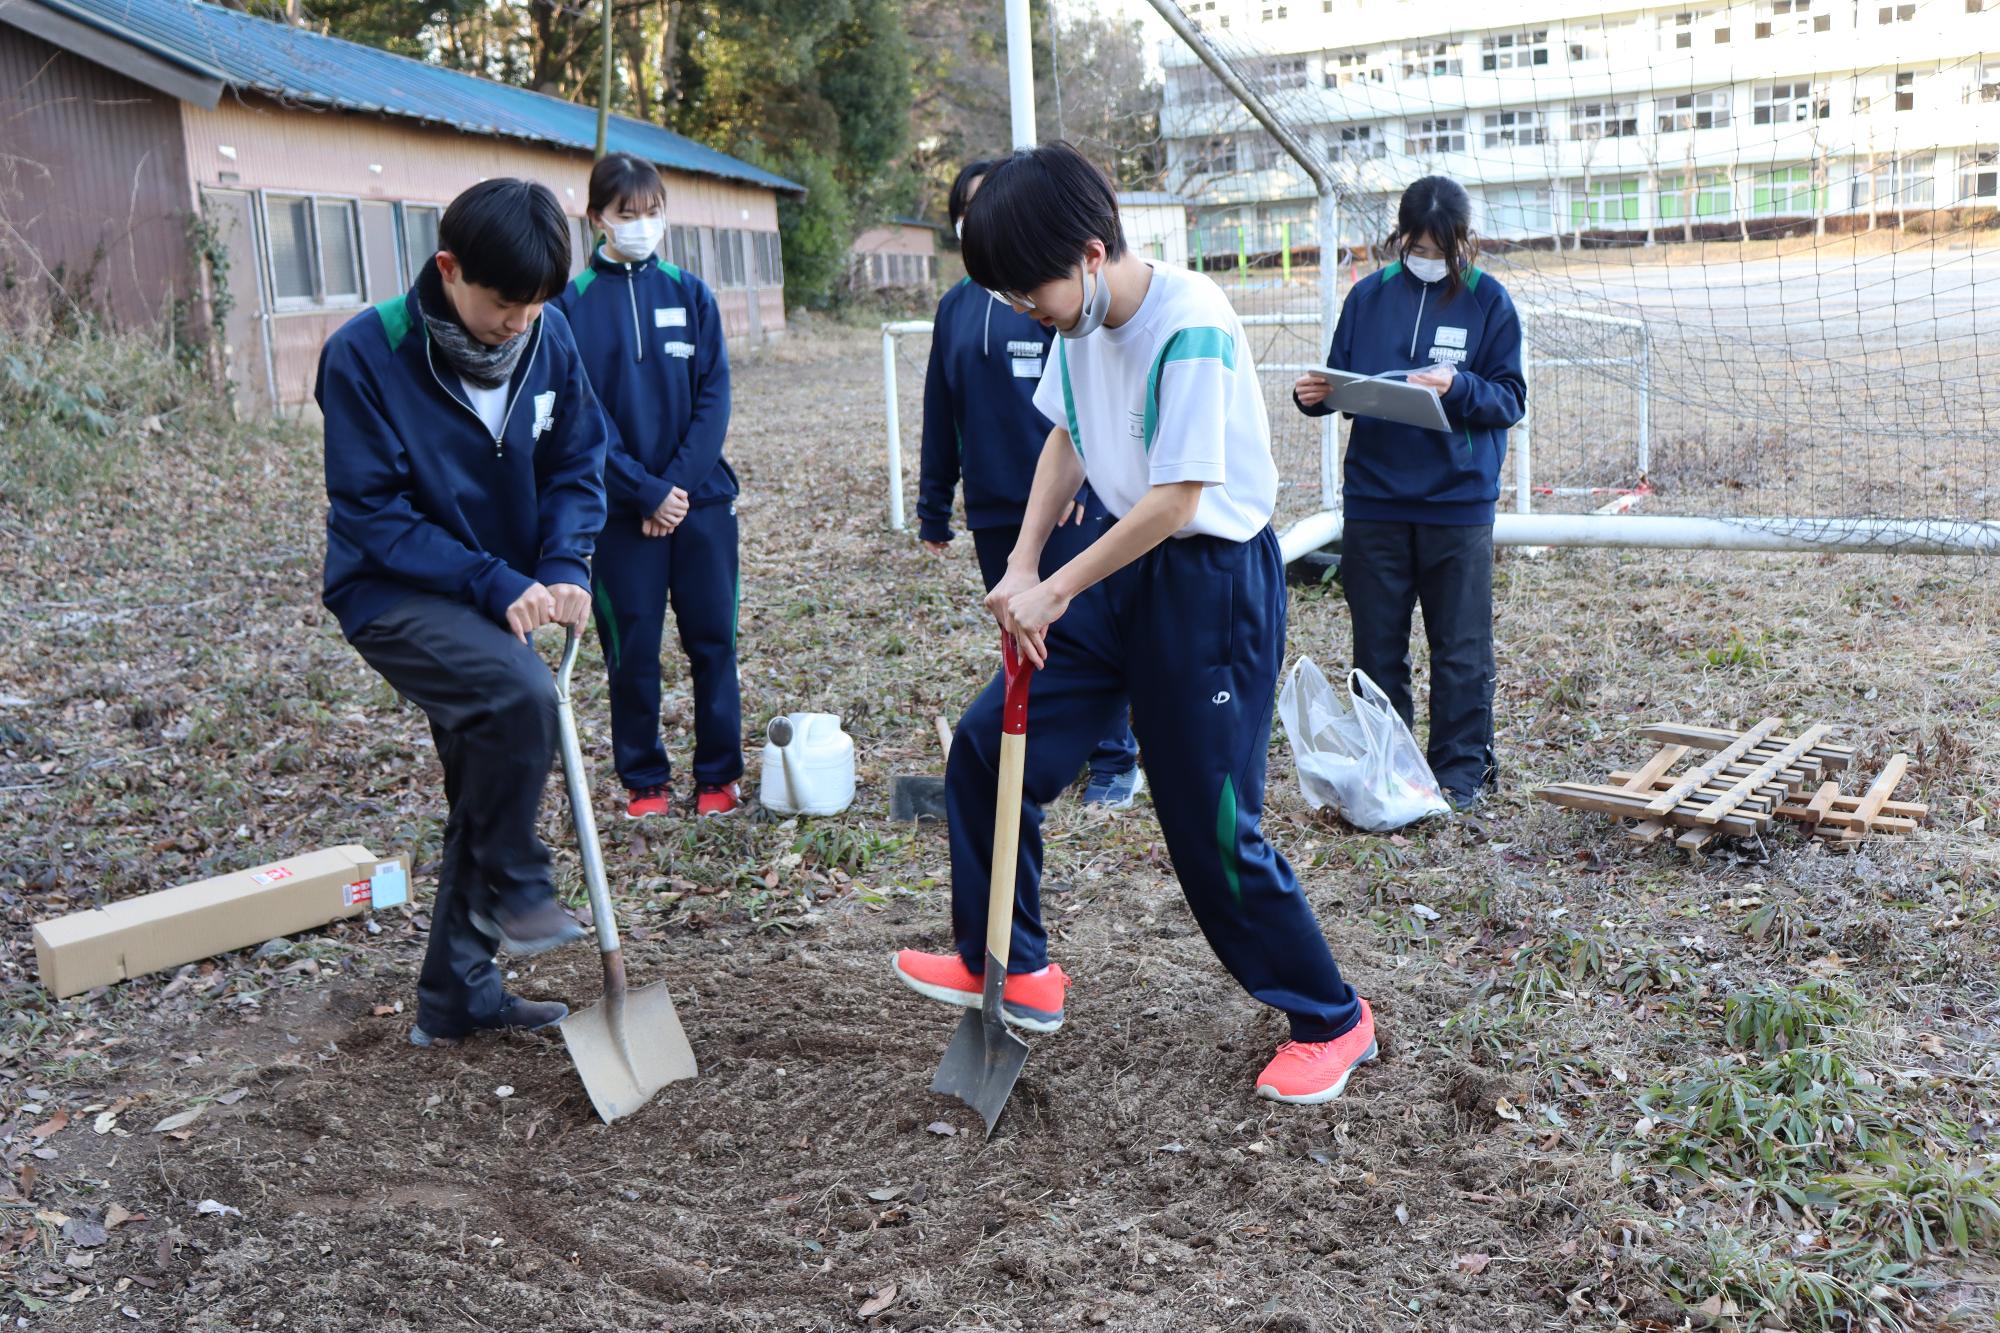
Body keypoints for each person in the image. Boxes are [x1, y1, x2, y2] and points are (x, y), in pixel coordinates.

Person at [891, 143, 1376, 1105]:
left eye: (1029, 288)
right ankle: (1013, 961)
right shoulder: (1076, 322)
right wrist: (1024, 561)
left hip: (1209, 583)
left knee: (1210, 826)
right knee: (989, 747)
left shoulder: (1188, 322)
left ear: (1088, 252)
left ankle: (1333, 1015)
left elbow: (1176, 499)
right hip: (1115, 563)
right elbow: (1067, 436)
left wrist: (1056, 587)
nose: (1025, 310)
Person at [317, 178, 610, 1046]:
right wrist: (492, 580)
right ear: (449, 268)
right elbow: (371, 515)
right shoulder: (366, 353)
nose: (519, 322)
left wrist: (561, 564)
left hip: (505, 590)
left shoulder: (547, 339)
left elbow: (577, 462)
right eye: (503, 303)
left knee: (485, 775)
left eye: (535, 305)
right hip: (393, 591)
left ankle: (457, 996)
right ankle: (520, 877)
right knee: (523, 699)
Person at [1293, 176, 1525, 811]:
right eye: (1417, 245)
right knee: (1377, 645)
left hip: (1458, 503)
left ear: (1464, 242)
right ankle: (1390, 767)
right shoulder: (1367, 298)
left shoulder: (1489, 302)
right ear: (1398, 239)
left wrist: (1459, 388)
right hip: (1375, 501)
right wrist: (1313, 398)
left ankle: (1460, 773)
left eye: (1441, 247)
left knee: (1461, 647)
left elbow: (1511, 398)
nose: (1428, 257)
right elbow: (1339, 380)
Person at [917, 159, 1142, 809]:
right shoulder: (960, 308)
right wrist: (938, 503)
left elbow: (1080, 426)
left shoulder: (1069, 307)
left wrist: (1085, 489)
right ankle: (1047, 747)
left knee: (1081, 627)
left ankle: (1112, 757)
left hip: (1070, 503)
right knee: (1029, 630)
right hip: (996, 502)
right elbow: (942, 407)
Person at [549, 153, 742, 820]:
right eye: (626, 214)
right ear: (597, 216)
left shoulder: (691, 294)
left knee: (713, 641)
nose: (641, 225)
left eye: (652, 212)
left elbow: (713, 398)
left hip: (702, 506)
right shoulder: (567, 308)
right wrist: (641, 491)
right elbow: (579, 417)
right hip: (618, 516)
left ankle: (719, 775)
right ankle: (645, 782)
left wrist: (678, 487)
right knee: (631, 650)